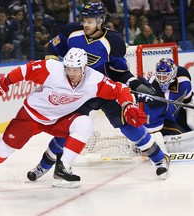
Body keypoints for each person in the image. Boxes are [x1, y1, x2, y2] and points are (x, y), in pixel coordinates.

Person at [27, 2, 170, 183]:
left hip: (104, 89)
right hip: (79, 92)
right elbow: (53, 49)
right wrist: (53, 68)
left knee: (128, 126)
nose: (86, 24)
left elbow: (119, 71)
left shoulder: (113, 41)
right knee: (65, 130)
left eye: (91, 21)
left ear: (101, 21)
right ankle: (43, 165)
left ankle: (159, 159)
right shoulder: (71, 32)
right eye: (84, 20)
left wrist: (134, 83)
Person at [0, 47, 147, 188]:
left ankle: (64, 168)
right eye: (68, 68)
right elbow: (24, 71)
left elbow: (120, 90)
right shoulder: (51, 69)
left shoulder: (94, 80)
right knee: (6, 147)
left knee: (84, 123)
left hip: (60, 120)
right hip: (31, 116)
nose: (71, 73)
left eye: (76, 69)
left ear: (84, 68)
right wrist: (4, 83)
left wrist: (127, 105)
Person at [138, 58, 194, 153]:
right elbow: (151, 124)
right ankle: (141, 145)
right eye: (159, 76)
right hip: (162, 122)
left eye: (164, 76)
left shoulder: (184, 83)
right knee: (183, 138)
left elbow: (188, 100)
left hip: (174, 115)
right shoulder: (152, 91)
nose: (161, 80)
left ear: (173, 74)